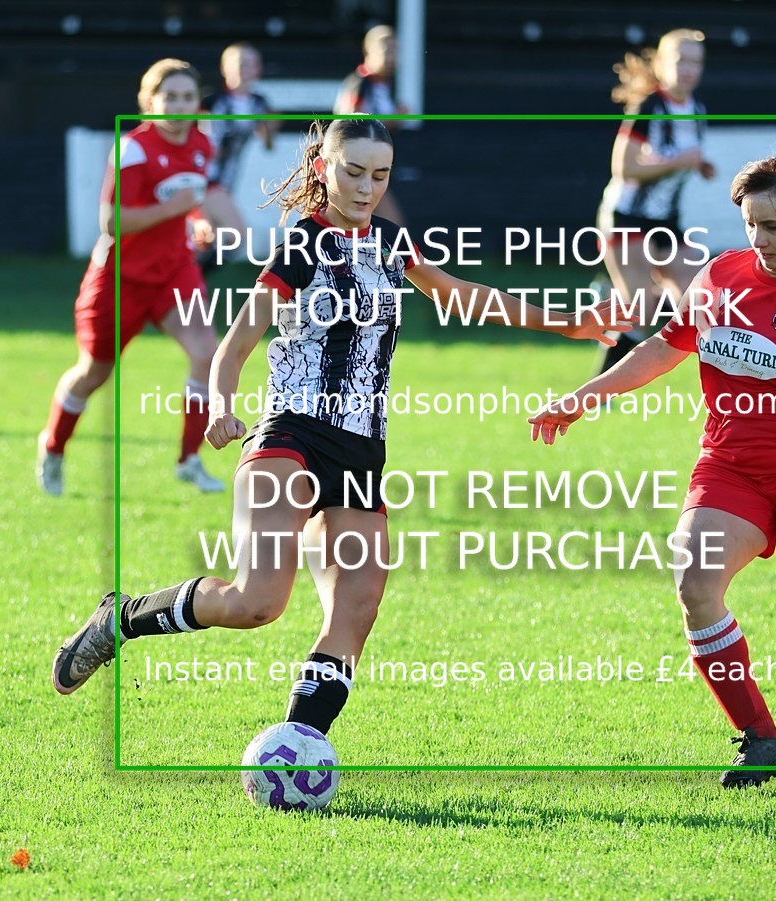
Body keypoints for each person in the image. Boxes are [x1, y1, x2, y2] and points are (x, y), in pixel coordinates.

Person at [51, 119, 631, 753]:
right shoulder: (301, 245)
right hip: (290, 437)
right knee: (256, 602)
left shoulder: (389, 241)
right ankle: (123, 620)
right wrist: (222, 406)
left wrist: (569, 324)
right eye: (352, 171)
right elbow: (235, 345)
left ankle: (298, 744)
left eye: (379, 175)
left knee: (354, 612)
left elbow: (461, 295)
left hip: (361, 451)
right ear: (323, 166)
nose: (365, 187)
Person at [530, 137, 776, 787]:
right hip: (731, 467)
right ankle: (760, 739)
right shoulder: (719, 276)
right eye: (749, 224)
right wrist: (581, 399)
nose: (758, 239)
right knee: (695, 586)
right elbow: (665, 348)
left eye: (773, 226)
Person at [37, 58, 224, 496]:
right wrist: (174, 209)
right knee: (93, 373)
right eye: (169, 97)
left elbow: (188, 199)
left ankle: (189, 459)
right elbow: (110, 222)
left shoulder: (202, 142)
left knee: (206, 353)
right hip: (119, 278)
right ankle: (53, 447)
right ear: (149, 103)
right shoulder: (132, 149)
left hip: (174, 271)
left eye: (187, 97)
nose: (179, 106)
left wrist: (195, 220)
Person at [595, 28, 715, 375]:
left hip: (665, 222)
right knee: (641, 308)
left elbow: (677, 156)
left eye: (697, 62)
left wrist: (698, 165)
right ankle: (601, 387)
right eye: (681, 60)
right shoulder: (650, 106)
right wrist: (680, 162)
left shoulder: (696, 109)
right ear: (661, 64)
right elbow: (623, 166)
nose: (689, 69)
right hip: (626, 217)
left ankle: (611, 303)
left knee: (702, 297)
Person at [200, 43, 278, 267]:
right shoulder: (211, 101)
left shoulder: (258, 103)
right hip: (205, 178)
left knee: (207, 241)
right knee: (235, 236)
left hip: (226, 181)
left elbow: (267, 141)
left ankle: (184, 286)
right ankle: (189, 284)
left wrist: (271, 126)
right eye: (240, 64)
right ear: (225, 68)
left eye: (251, 64)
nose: (245, 69)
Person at [334, 25, 408, 225]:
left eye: (396, 52)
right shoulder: (361, 84)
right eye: (387, 51)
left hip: (371, 169)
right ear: (368, 51)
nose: (392, 58)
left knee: (383, 228)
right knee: (392, 226)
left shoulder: (383, 86)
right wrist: (393, 119)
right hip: (357, 169)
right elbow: (350, 124)